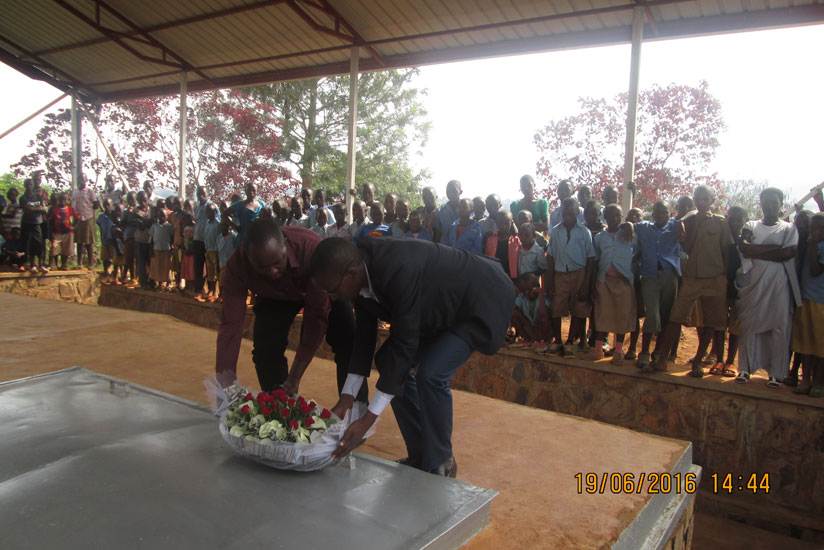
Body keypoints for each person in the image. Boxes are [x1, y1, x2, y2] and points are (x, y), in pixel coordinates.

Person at [309, 236, 515, 477]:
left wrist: (367, 421)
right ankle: (421, 454)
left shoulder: (398, 268)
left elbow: (405, 344)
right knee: (387, 362)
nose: (332, 298)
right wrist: (346, 398)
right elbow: (363, 338)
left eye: (332, 290)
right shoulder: (361, 274)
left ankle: (441, 461)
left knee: (432, 374)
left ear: (351, 274)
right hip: (439, 308)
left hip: (480, 301)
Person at [216, 219, 367, 403]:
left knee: (348, 339)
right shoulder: (237, 266)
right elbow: (230, 325)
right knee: (265, 350)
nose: (271, 271)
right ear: (248, 259)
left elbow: (316, 317)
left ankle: (354, 411)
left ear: (285, 247)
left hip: (323, 285)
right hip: (274, 296)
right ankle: (281, 410)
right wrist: (226, 383)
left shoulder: (310, 251)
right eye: (262, 268)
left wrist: (295, 376)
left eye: (277, 262)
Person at [652, 186, 732, 375]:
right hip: (692, 278)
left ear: (712, 200)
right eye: (699, 199)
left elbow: (725, 251)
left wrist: (724, 278)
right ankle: (663, 358)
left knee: (710, 322)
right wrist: (692, 222)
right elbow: (686, 247)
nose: (702, 203)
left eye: (706, 199)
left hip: (714, 278)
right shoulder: (688, 221)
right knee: (676, 317)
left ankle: (698, 361)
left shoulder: (721, 223)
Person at [734, 188, 800, 386]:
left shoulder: (789, 229)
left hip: (778, 284)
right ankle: (745, 369)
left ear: (781, 203)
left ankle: (775, 373)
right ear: (761, 203)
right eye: (767, 202)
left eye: (775, 202)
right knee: (749, 326)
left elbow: (787, 254)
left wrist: (757, 251)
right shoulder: (751, 225)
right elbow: (744, 247)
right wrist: (774, 248)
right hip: (754, 283)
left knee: (778, 327)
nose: (771, 206)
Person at [633, 201, 685, 371]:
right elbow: (627, 223)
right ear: (653, 214)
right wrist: (627, 225)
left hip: (670, 276)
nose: (661, 215)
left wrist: (681, 223)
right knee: (652, 315)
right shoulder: (644, 227)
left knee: (665, 315)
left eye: (664, 212)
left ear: (669, 213)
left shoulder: (675, 226)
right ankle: (645, 351)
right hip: (649, 276)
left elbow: (692, 214)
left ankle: (658, 351)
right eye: (657, 212)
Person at [584, 205, 637, 365]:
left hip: (623, 281)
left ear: (621, 217)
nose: (614, 219)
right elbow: (595, 260)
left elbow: (639, 250)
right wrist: (593, 285)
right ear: (604, 217)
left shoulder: (629, 235)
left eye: (617, 216)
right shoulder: (600, 237)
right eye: (610, 216)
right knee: (602, 314)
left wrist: (628, 264)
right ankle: (598, 349)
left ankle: (619, 350)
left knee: (622, 315)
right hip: (604, 280)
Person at [546, 198, 595, 357]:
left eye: (571, 211)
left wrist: (586, 283)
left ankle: (569, 343)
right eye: (564, 211)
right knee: (556, 308)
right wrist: (550, 280)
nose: (567, 214)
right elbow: (551, 257)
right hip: (560, 274)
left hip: (578, 273)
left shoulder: (584, 232)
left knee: (578, 309)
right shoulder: (556, 231)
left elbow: (590, 258)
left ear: (577, 213)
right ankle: (558, 341)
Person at [792, 212, 824, 397]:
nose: (816, 232)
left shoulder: (817, 247)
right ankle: (805, 379)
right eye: (813, 228)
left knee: (820, 344)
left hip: (820, 302)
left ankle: (818, 381)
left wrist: (812, 247)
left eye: (820, 229)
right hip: (804, 299)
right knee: (806, 342)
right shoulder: (806, 244)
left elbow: (815, 270)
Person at [510, 272, 552, 350]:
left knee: (543, 315)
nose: (528, 293)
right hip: (531, 330)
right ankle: (527, 340)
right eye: (526, 291)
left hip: (542, 331)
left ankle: (545, 342)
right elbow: (511, 309)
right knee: (513, 313)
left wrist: (540, 294)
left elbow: (543, 315)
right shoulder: (522, 297)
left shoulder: (543, 297)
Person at [193, 186, 220, 297]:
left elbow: (218, 222)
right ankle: (199, 290)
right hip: (198, 239)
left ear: (207, 193)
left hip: (210, 243)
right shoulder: (196, 207)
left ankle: (211, 290)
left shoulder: (213, 207)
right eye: (199, 194)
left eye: (203, 193)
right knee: (198, 266)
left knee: (211, 268)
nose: (201, 196)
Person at [19, 178, 48, 273]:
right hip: (27, 223)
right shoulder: (23, 198)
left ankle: (41, 265)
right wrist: (37, 208)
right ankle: (32, 265)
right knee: (29, 244)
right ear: (25, 185)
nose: (29, 186)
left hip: (37, 222)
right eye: (27, 184)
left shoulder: (38, 197)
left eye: (30, 184)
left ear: (33, 185)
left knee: (39, 243)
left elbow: (44, 209)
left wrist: (33, 209)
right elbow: (27, 210)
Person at [484, 210, 520, 284]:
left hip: (511, 278)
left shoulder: (516, 240)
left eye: (507, 223)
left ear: (511, 223)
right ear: (496, 223)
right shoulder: (490, 239)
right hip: (494, 276)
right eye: (500, 223)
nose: (503, 226)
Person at [71, 176, 98, 269]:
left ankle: (90, 263)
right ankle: (79, 263)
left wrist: (91, 212)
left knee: (88, 241)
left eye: (83, 179)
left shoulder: (89, 191)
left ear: (86, 180)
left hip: (88, 217)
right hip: (78, 217)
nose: (81, 180)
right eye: (79, 179)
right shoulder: (75, 191)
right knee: (79, 241)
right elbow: (73, 203)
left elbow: (95, 204)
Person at [130, 191, 154, 289]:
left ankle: (152, 282)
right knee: (141, 262)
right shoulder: (135, 211)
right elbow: (141, 226)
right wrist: (148, 222)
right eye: (140, 200)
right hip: (140, 240)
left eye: (144, 200)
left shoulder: (152, 210)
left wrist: (146, 222)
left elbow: (153, 222)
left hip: (151, 240)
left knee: (150, 262)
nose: (143, 202)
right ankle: (143, 282)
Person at [47, 192, 77, 271]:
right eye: (61, 199)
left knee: (66, 249)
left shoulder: (70, 209)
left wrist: (73, 227)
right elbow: (48, 220)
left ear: (67, 200)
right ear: (58, 200)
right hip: (56, 232)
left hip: (67, 232)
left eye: (64, 199)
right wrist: (50, 231)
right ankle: (51, 265)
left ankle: (64, 265)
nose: (62, 201)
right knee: (54, 248)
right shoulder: (53, 209)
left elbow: (77, 218)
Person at [148, 208, 174, 290]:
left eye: (163, 216)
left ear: (166, 216)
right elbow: (151, 239)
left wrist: (171, 247)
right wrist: (151, 249)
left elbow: (172, 237)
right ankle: (160, 283)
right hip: (156, 249)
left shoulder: (169, 226)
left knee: (167, 267)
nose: (162, 218)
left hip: (166, 249)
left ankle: (168, 283)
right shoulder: (154, 226)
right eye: (160, 216)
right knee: (157, 266)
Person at [202, 203, 222, 300]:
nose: (208, 214)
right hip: (208, 250)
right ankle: (211, 290)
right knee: (210, 272)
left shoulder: (218, 224)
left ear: (215, 212)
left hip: (215, 251)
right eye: (207, 212)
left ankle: (216, 292)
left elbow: (219, 238)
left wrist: (218, 251)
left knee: (216, 272)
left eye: (210, 212)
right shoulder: (207, 223)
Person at [96, 199, 115, 280]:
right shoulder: (101, 216)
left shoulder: (114, 215)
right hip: (104, 239)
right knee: (105, 256)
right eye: (105, 205)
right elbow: (99, 224)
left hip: (113, 240)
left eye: (108, 204)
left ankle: (114, 273)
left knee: (113, 256)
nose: (107, 207)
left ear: (112, 205)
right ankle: (106, 272)